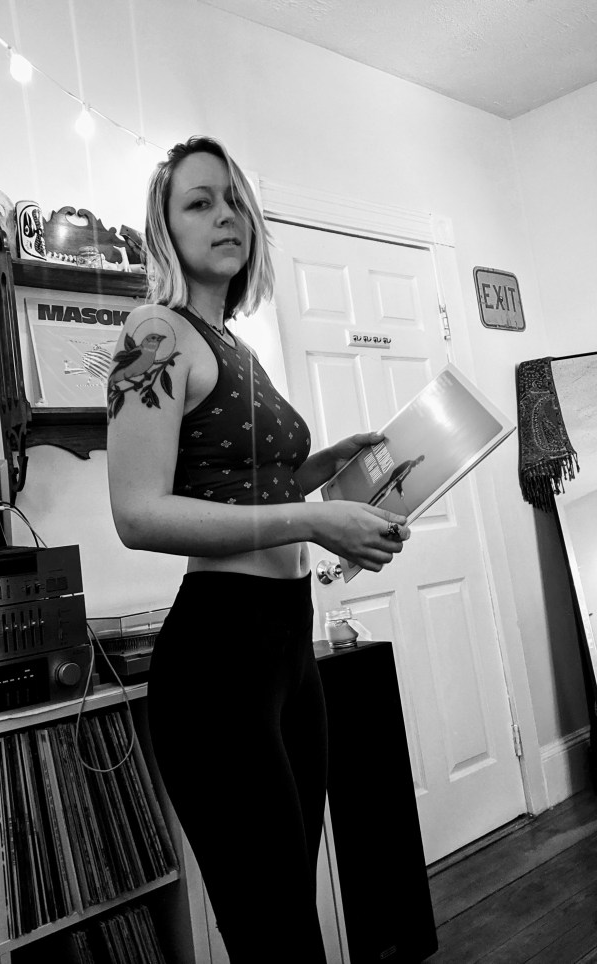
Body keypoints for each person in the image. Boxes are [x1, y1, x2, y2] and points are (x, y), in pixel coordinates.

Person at [107, 135, 410, 963]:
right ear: (165, 228)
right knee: (275, 933)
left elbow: (242, 485)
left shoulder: (234, 343)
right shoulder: (154, 333)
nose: (225, 215)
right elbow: (137, 514)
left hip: (286, 649)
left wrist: (323, 469)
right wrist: (309, 521)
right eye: (199, 202)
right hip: (220, 661)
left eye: (234, 200)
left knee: (289, 912)